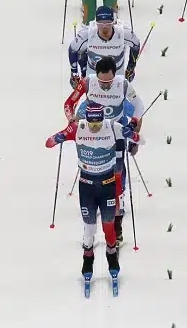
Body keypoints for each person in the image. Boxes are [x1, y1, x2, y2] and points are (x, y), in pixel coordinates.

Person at [45, 103, 141, 285]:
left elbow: (140, 140)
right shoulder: (77, 128)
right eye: (91, 123)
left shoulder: (112, 127)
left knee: (108, 227)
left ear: (102, 119)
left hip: (108, 185)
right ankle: (87, 260)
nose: (95, 126)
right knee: (89, 228)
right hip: (86, 186)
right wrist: (58, 137)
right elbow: (48, 143)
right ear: (86, 120)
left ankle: (112, 257)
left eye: (98, 122)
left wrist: (132, 135)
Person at [64, 56, 145, 244]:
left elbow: (139, 105)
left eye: (109, 81)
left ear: (114, 76)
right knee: (91, 172)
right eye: (102, 81)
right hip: (92, 133)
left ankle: (116, 224)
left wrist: (133, 123)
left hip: (115, 133)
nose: (105, 85)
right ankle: (90, 222)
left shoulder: (122, 84)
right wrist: (71, 121)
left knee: (116, 176)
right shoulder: (87, 82)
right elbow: (69, 104)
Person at [68, 6, 141, 85]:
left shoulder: (123, 33)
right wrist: (74, 73)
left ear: (113, 22)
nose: (104, 26)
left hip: (117, 73)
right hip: (93, 73)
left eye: (108, 22)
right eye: (101, 23)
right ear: (96, 22)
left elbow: (135, 45)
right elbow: (73, 49)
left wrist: (131, 67)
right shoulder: (87, 34)